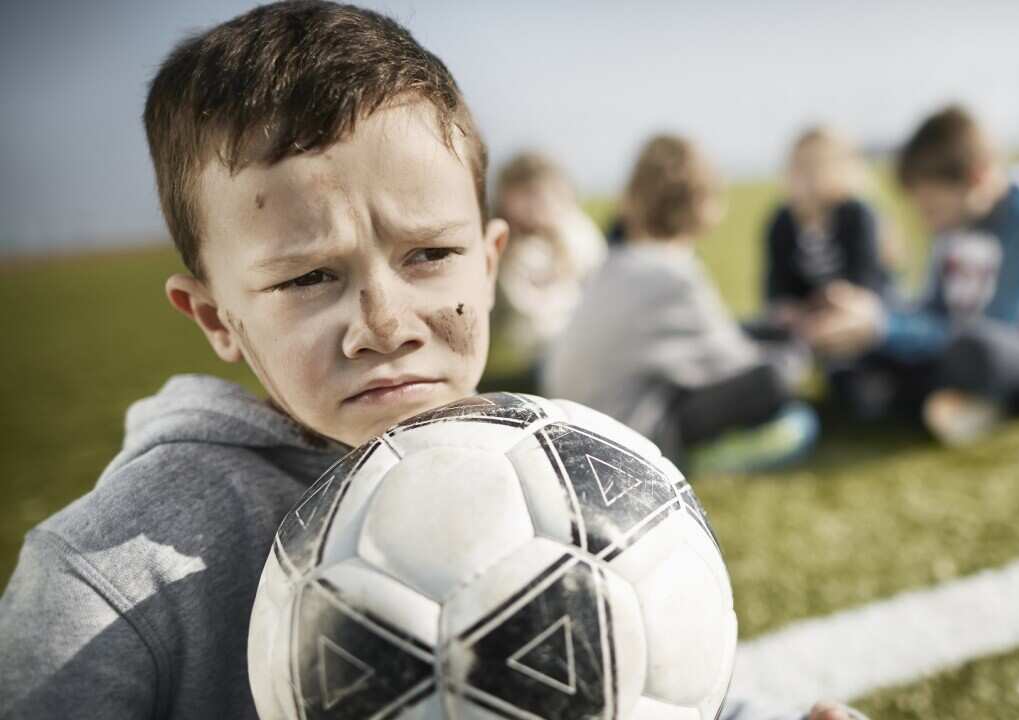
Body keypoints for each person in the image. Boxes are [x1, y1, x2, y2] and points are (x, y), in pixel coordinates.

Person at [0, 4, 856, 719]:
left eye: (429, 257)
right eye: (308, 276)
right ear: (217, 317)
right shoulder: (104, 579)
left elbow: (656, 684)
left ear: (489, 263)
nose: (386, 324)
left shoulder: (573, 482)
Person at [802, 105, 1019, 444]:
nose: (924, 219)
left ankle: (927, 398)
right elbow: (934, 311)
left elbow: (1001, 326)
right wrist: (870, 317)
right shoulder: (954, 222)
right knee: (868, 359)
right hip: (972, 344)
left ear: (976, 178)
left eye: (930, 206)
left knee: (975, 351)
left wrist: (883, 327)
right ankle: (947, 400)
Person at [543, 134, 819, 472]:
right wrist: (804, 351)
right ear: (701, 202)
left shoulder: (616, 259)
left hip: (578, 415)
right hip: (630, 431)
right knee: (777, 382)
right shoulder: (675, 276)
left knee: (764, 334)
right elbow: (735, 363)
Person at [762, 126, 900, 417]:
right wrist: (789, 311)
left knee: (858, 396)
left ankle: (856, 383)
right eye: (799, 169)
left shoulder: (857, 214)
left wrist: (832, 302)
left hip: (856, 319)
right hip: (806, 322)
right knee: (753, 335)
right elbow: (776, 288)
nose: (807, 179)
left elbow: (867, 286)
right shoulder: (782, 222)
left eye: (816, 168)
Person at [492, 151, 607, 360]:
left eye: (546, 194)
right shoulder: (512, 249)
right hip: (540, 347)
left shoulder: (576, 231)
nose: (539, 204)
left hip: (583, 335)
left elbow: (599, 278)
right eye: (527, 195)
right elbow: (530, 312)